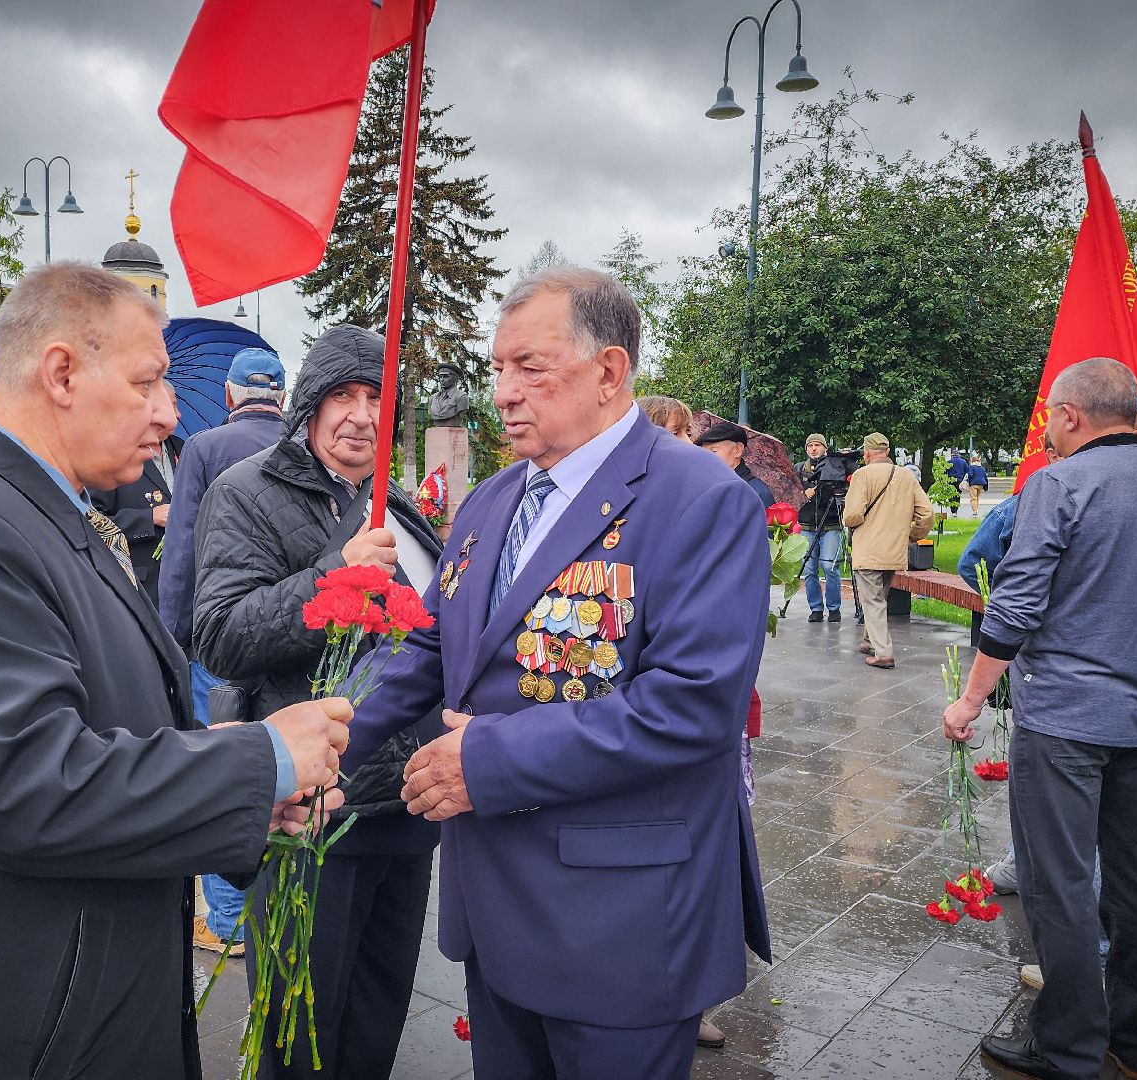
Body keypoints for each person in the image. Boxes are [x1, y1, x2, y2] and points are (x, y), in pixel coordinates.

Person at [0, 263, 352, 1079]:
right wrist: (260, 759)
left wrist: (230, 779)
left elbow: (96, 728)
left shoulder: (43, 515)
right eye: (148, 382)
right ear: (61, 372)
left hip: (63, 1014)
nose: (168, 414)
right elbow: (28, 784)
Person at [339, 267, 772, 1079]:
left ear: (609, 372)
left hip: (622, 921)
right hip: (496, 910)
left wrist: (489, 759)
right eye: (498, 368)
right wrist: (325, 739)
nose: (503, 392)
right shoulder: (492, 499)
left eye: (529, 368)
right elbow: (430, 643)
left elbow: (691, 707)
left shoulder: (701, 500)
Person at [941, 357, 1137, 1080]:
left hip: (1064, 720)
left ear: (1069, 415)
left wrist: (971, 698)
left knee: (1057, 883)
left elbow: (1016, 604)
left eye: (1051, 423)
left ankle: (1064, 1046)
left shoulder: (1057, 484)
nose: (1049, 435)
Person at [192, 324, 444, 1080]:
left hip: (405, 805)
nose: (362, 414)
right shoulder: (248, 493)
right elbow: (221, 635)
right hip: (315, 812)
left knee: (376, 1013)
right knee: (299, 1034)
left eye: (377, 397)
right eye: (344, 394)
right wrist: (334, 574)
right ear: (308, 404)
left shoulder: (396, 504)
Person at [157, 346, 290, 956]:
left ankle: (230, 919)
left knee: (223, 760)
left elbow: (182, 551)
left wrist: (169, 638)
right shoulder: (305, 444)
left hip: (221, 634)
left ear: (232, 396)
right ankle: (283, 898)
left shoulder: (204, 450)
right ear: (283, 398)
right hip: (290, 632)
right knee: (285, 764)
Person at [841, 433, 934, 669]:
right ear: (888, 452)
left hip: (869, 550)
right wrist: (912, 536)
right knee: (879, 596)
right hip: (894, 551)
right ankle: (869, 640)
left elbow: (852, 515)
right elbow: (927, 515)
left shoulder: (862, 475)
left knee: (873, 601)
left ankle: (884, 653)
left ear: (867, 453)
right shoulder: (906, 476)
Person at [89, 381, 184, 604]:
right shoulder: (114, 456)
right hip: (139, 586)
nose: (178, 415)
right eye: (171, 406)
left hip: (186, 583)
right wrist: (149, 518)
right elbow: (92, 521)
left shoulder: (185, 448)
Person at [795, 434, 850, 622]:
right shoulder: (799, 469)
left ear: (825, 448)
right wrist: (804, 494)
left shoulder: (835, 467)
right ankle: (816, 608)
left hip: (831, 524)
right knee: (809, 569)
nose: (813, 449)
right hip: (807, 525)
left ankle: (834, 608)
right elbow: (792, 495)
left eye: (817, 445)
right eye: (810, 445)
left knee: (829, 566)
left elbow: (843, 491)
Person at [695, 419, 773, 510]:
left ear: (738, 450)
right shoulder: (705, 487)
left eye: (714, 451)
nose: (707, 458)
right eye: (704, 452)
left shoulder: (757, 492)